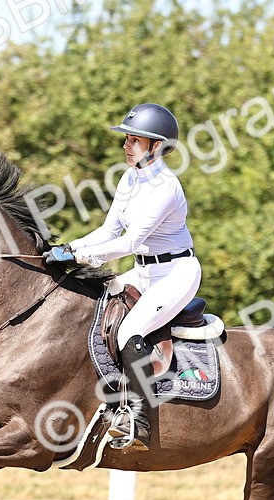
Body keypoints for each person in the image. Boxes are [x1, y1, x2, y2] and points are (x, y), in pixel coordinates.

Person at [44, 103, 201, 451]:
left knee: (130, 330)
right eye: (127, 138)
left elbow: (129, 242)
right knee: (97, 309)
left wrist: (78, 257)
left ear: (157, 146)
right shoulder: (130, 177)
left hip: (175, 273)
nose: (126, 145)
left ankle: (138, 421)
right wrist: (68, 247)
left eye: (134, 140)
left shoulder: (166, 187)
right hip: (145, 271)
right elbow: (109, 230)